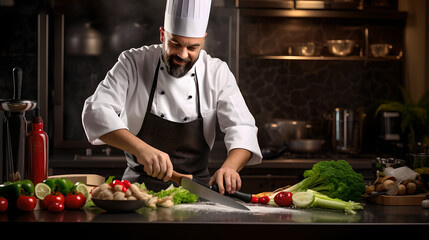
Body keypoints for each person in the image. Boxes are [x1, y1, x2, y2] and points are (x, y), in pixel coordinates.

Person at [82, 0, 262, 194]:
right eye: (175, 44)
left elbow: (242, 127)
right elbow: (95, 111)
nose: (183, 55)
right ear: (162, 34)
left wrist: (230, 168)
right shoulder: (133, 63)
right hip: (136, 192)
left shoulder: (217, 72)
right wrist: (142, 149)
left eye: (193, 47)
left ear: (203, 39)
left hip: (196, 191)